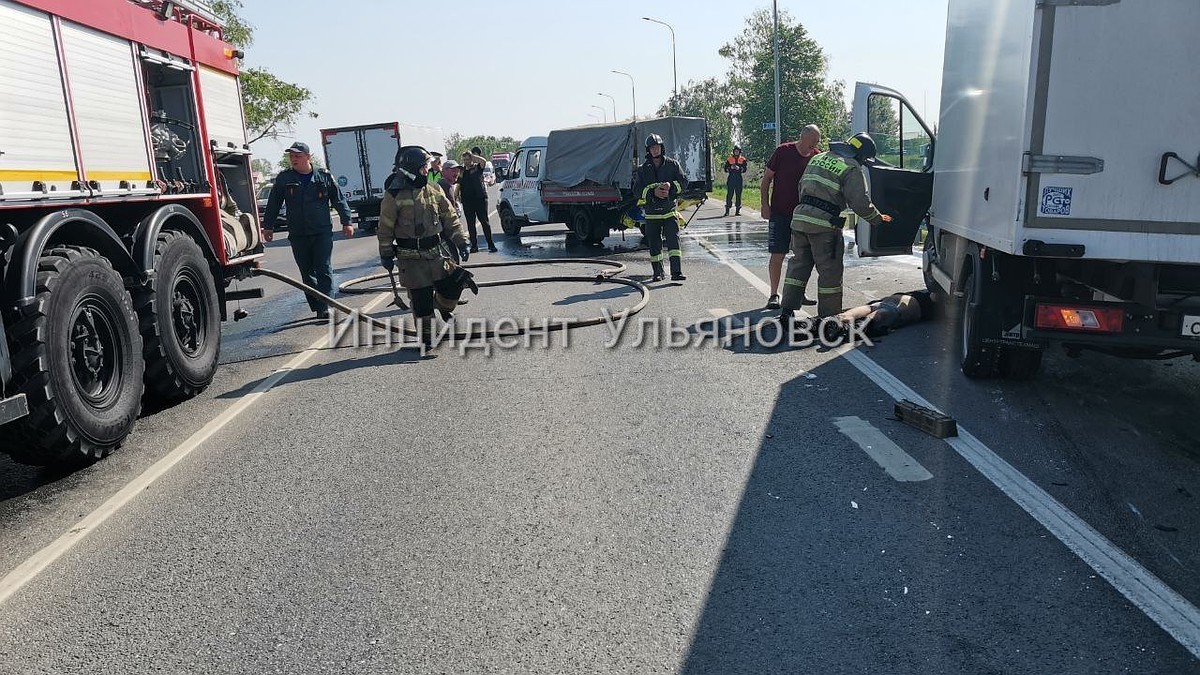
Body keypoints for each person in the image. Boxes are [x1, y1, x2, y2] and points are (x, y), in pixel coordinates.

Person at [779, 132, 892, 324]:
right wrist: (878, 219)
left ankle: (786, 312)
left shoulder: (819, 157)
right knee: (830, 272)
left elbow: (801, 186)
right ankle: (828, 318)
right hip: (824, 226)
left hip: (800, 220)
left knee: (798, 266)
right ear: (861, 155)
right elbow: (860, 202)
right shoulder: (852, 167)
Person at [378, 146, 473, 344]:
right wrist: (386, 253)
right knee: (421, 303)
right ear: (410, 170)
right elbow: (385, 227)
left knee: (452, 287)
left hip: (437, 255)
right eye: (423, 168)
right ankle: (428, 338)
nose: (427, 172)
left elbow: (450, 217)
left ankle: (442, 307)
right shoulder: (394, 195)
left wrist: (461, 241)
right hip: (411, 260)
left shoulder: (434, 189)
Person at [263, 141, 354, 319]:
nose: (294, 159)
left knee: (323, 268)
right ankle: (317, 305)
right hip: (298, 234)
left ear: (308, 157)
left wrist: (347, 221)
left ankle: (326, 306)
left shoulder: (324, 176)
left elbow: (339, 200)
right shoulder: (285, 178)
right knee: (307, 272)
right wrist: (268, 226)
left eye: (297, 156)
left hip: (321, 232)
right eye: (291, 156)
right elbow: (274, 203)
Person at [761, 125, 821, 310]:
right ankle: (773, 294)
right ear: (803, 137)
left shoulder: (816, 156)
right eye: (813, 141)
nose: (815, 145)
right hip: (780, 213)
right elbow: (766, 180)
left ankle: (798, 293)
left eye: (817, 142)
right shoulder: (783, 152)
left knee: (802, 256)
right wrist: (765, 205)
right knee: (778, 254)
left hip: (804, 216)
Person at [633, 133, 689, 282]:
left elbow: (684, 183)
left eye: (657, 147)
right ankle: (658, 273)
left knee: (673, 242)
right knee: (655, 245)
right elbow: (637, 191)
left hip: (669, 212)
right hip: (652, 214)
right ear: (648, 150)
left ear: (661, 148)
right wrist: (653, 192)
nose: (655, 150)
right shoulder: (642, 169)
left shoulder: (673, 165)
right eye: (652, 148)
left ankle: (676, 272)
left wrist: (671, 187)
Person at [836, 290, 937, 338]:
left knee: (873, 307)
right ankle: (860, 325)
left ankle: (839, 318)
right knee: (888, 312)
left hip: (899, 297)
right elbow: (934, 296)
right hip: (914, 303)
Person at [459, 146, 496, 252]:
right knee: (471, 224)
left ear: (472, 159)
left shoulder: (477, 167)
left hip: (480, 199)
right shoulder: (462, 171)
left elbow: (483, 161)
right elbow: (458, 185)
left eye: (468, 159)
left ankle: (491, 244)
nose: (466, 161)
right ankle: (474, 246)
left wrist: (473, 155)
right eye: (464, 159)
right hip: (467, 201)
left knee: (484, 222)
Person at [437, 159, 463, 263]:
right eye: (453, 170)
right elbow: (449, 209)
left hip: (444, 228)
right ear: (444, 171)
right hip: (445, 228)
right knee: (452, 258)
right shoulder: (445, 185)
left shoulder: (447, 185)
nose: (456, 173)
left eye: (457, 170)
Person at [723, 145, 747, 217]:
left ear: (739, 152)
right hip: (731, 178)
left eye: (737, 151)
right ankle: (727, 211)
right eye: (735, 151)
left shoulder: (743, 159)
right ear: (733, 152)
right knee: (729, 194)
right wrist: (730, 167)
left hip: (739, 179)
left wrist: (739, 168)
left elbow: (745, 169)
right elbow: (725, 169)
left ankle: (737, 211)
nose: (736, 152)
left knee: (738, 195)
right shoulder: (729, 159)